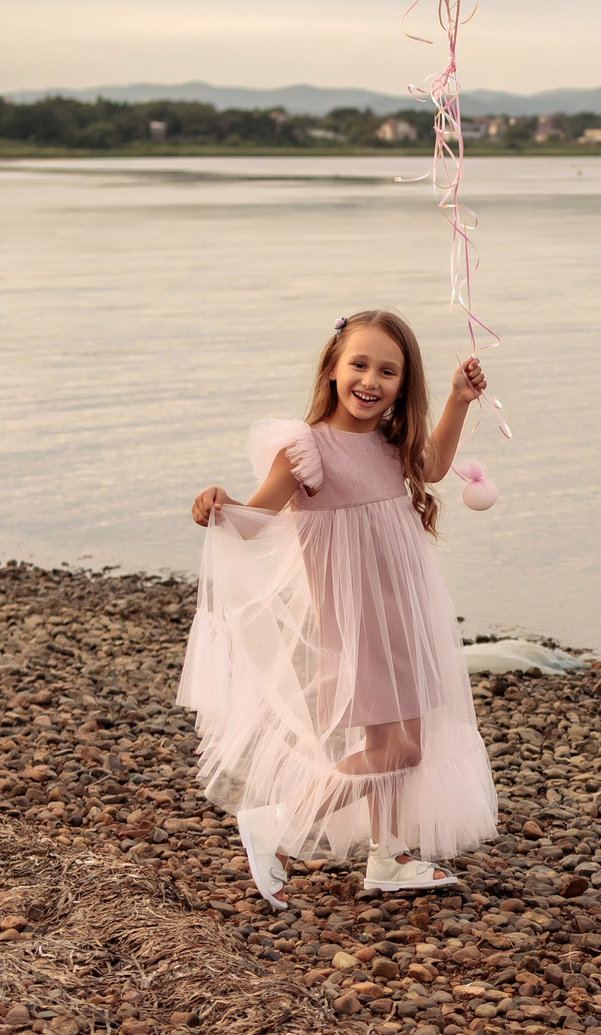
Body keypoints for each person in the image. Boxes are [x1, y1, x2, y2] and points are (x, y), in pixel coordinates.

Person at [176, 309, 498, 904]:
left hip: (403, 605)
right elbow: (254, 521)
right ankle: (278, 823)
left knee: (405, 741)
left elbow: (431, 468)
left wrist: (458, 399)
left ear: (403, 385)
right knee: (393, 749)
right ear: (331, 368)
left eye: (388, 371)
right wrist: (216, 503)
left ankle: (389, 854)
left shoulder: (386, 442)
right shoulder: (304, 451)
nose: (370, 380)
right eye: (359, 364)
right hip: (359, 622)